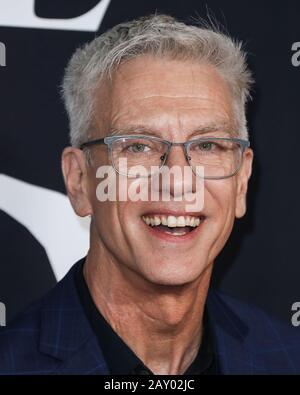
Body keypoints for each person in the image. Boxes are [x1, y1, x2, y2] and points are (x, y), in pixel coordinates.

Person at [0, 14, 299, 375]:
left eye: (207, 145)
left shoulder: (286, 357)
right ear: (79, 180)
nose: (176, 180)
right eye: (138, 146)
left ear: (242, 181)